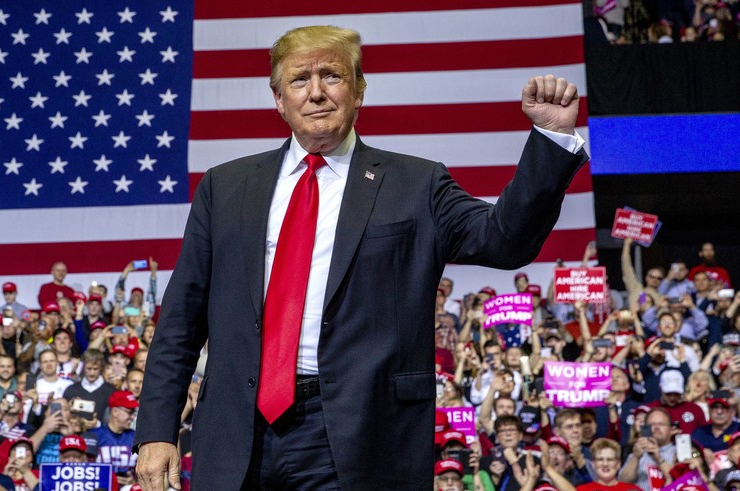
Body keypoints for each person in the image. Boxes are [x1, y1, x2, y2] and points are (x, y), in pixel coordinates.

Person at [135, 25, 587, 490]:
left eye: (331, 76)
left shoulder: (417, 185)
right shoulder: (224, 188)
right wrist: (155, 430)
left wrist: (551, 141)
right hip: (237, 435)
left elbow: (505, 240)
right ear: (278, 99)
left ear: (358, 91)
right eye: (298, 80)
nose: (315, 93)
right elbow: (181, 320)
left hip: (362, 438)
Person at [577, 438, 642, 491]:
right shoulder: (581, 490)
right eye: (600, 459)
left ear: (618, 464)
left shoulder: (633, 490)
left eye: (610, 459)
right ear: (593, 464)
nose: (605, 464)